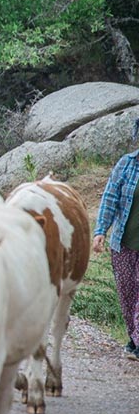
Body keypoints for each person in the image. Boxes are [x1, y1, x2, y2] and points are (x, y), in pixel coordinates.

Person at [92, 118, 139, 360]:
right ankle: (134, 339)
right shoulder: (126, 164)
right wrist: (100, 231)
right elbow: (110, 199)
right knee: (127, 294)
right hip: (123, 243)